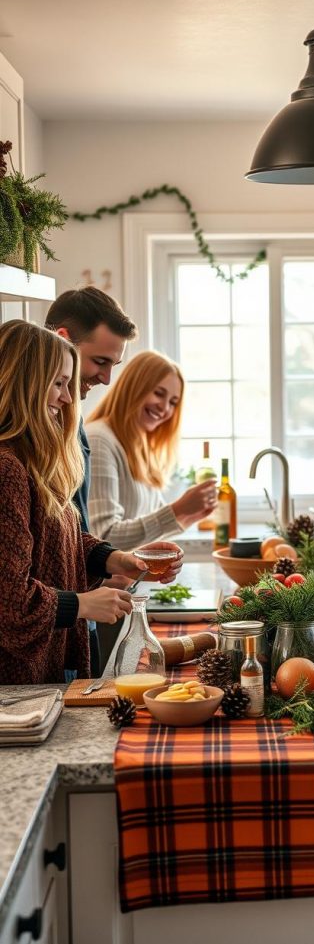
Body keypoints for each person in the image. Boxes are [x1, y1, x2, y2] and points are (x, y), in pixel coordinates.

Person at [0, 321, 183, 685]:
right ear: (24, 384)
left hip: (47, 662)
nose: (68, 398)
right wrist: (82, 604)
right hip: (16, 682)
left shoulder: (30, 460)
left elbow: (61, 541)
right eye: (58, 383)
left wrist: (119, 559)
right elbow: (10, 601)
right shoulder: (6, 469)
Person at [45, 286, 138, 673]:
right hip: (43, 637)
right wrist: (81, 602)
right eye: (100, 361)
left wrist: (108, 558)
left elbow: (69, 528)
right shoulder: (16, 449)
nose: (106, 378)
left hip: (68, 627)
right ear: (62, 341)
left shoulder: (73, 423)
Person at [85, 350, 217, 549]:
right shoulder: (99, 440)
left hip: (127, 580)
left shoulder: (139, 447)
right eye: (159, 393)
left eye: (173, 402)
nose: (165, 408)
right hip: (104, 582)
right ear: (134, 388)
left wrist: (188, 516)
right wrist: (178, 509)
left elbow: (146, 534)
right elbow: (104, 538)